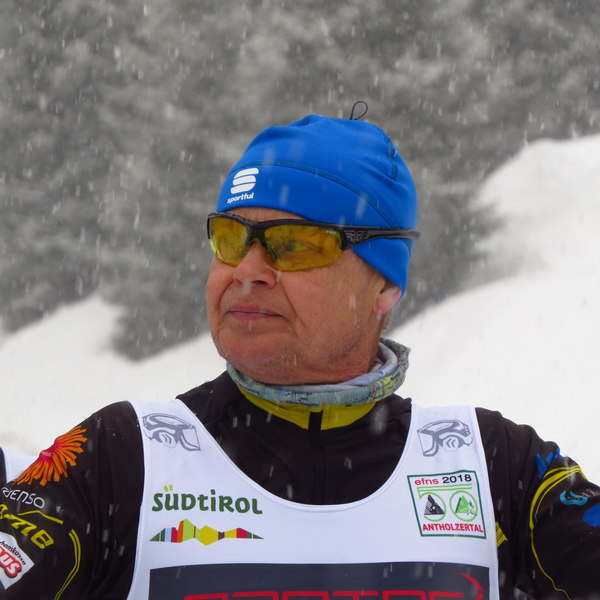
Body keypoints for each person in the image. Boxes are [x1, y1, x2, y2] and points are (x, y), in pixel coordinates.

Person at [0, 112, 598, 600]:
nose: (248, 271)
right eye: (231, 238)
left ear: (385, 285)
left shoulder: (494, 466)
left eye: (294, 245)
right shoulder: (123, 456)